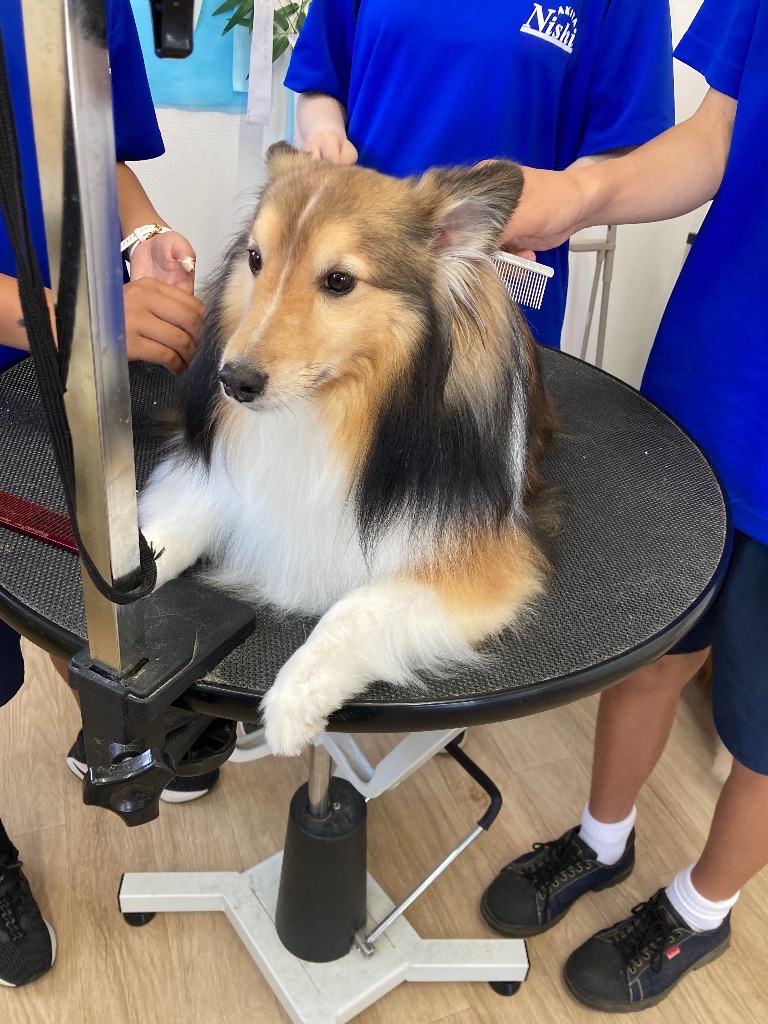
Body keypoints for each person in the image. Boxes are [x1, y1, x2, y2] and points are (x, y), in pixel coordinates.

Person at [479, 0, 768, 1011]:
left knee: (765, 722)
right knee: (653, 644)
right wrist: (577, 193)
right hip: (718, 373)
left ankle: (703, 905)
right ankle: (604, 839)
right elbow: (717, 133)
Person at [0, 0, 208, 988]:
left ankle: (125, 714)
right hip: (57, 332)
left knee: (76, 558)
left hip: (61, 368)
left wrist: (142, 235)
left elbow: (97, 141)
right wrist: (68, 318)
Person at [282, 0, 675, 350]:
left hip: (496, 296)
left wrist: (563, 202)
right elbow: (322, 81)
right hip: (353, 287)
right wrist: (325, 133)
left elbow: (626, 144)